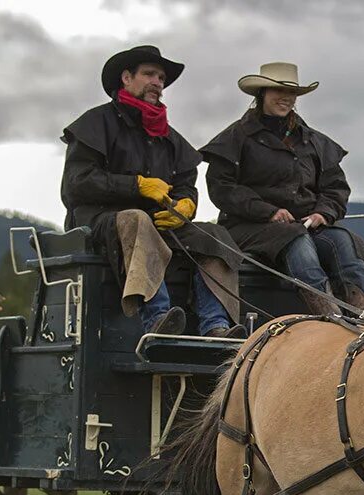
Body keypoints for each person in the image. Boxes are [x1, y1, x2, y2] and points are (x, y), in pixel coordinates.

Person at [61, 45, 245, 338]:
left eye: (161, 78)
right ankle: (158, 319)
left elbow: (186, 182)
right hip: (99, 223)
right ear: (126, 78)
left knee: (215, 235)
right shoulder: (96, 123)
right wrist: (137, 185)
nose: (158, 83)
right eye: (149, 74)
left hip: (159, 224)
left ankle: (217, 326)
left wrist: (186, 205)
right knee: (136, 219)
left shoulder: (170, 138)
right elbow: (76, 184)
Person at [201, 62, 364, 317]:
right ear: (261, 94)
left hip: (306, 225)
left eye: (291, 93)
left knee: (343, 242)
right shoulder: (235, 138)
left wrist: (322, 214)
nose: (286, 98)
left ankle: (362, 315)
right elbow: (222, 188)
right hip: (249, 226)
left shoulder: (315, 141)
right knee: (297, 241)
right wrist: (268, 211)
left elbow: (335, 188)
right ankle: (328, 314)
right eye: (277, 91)